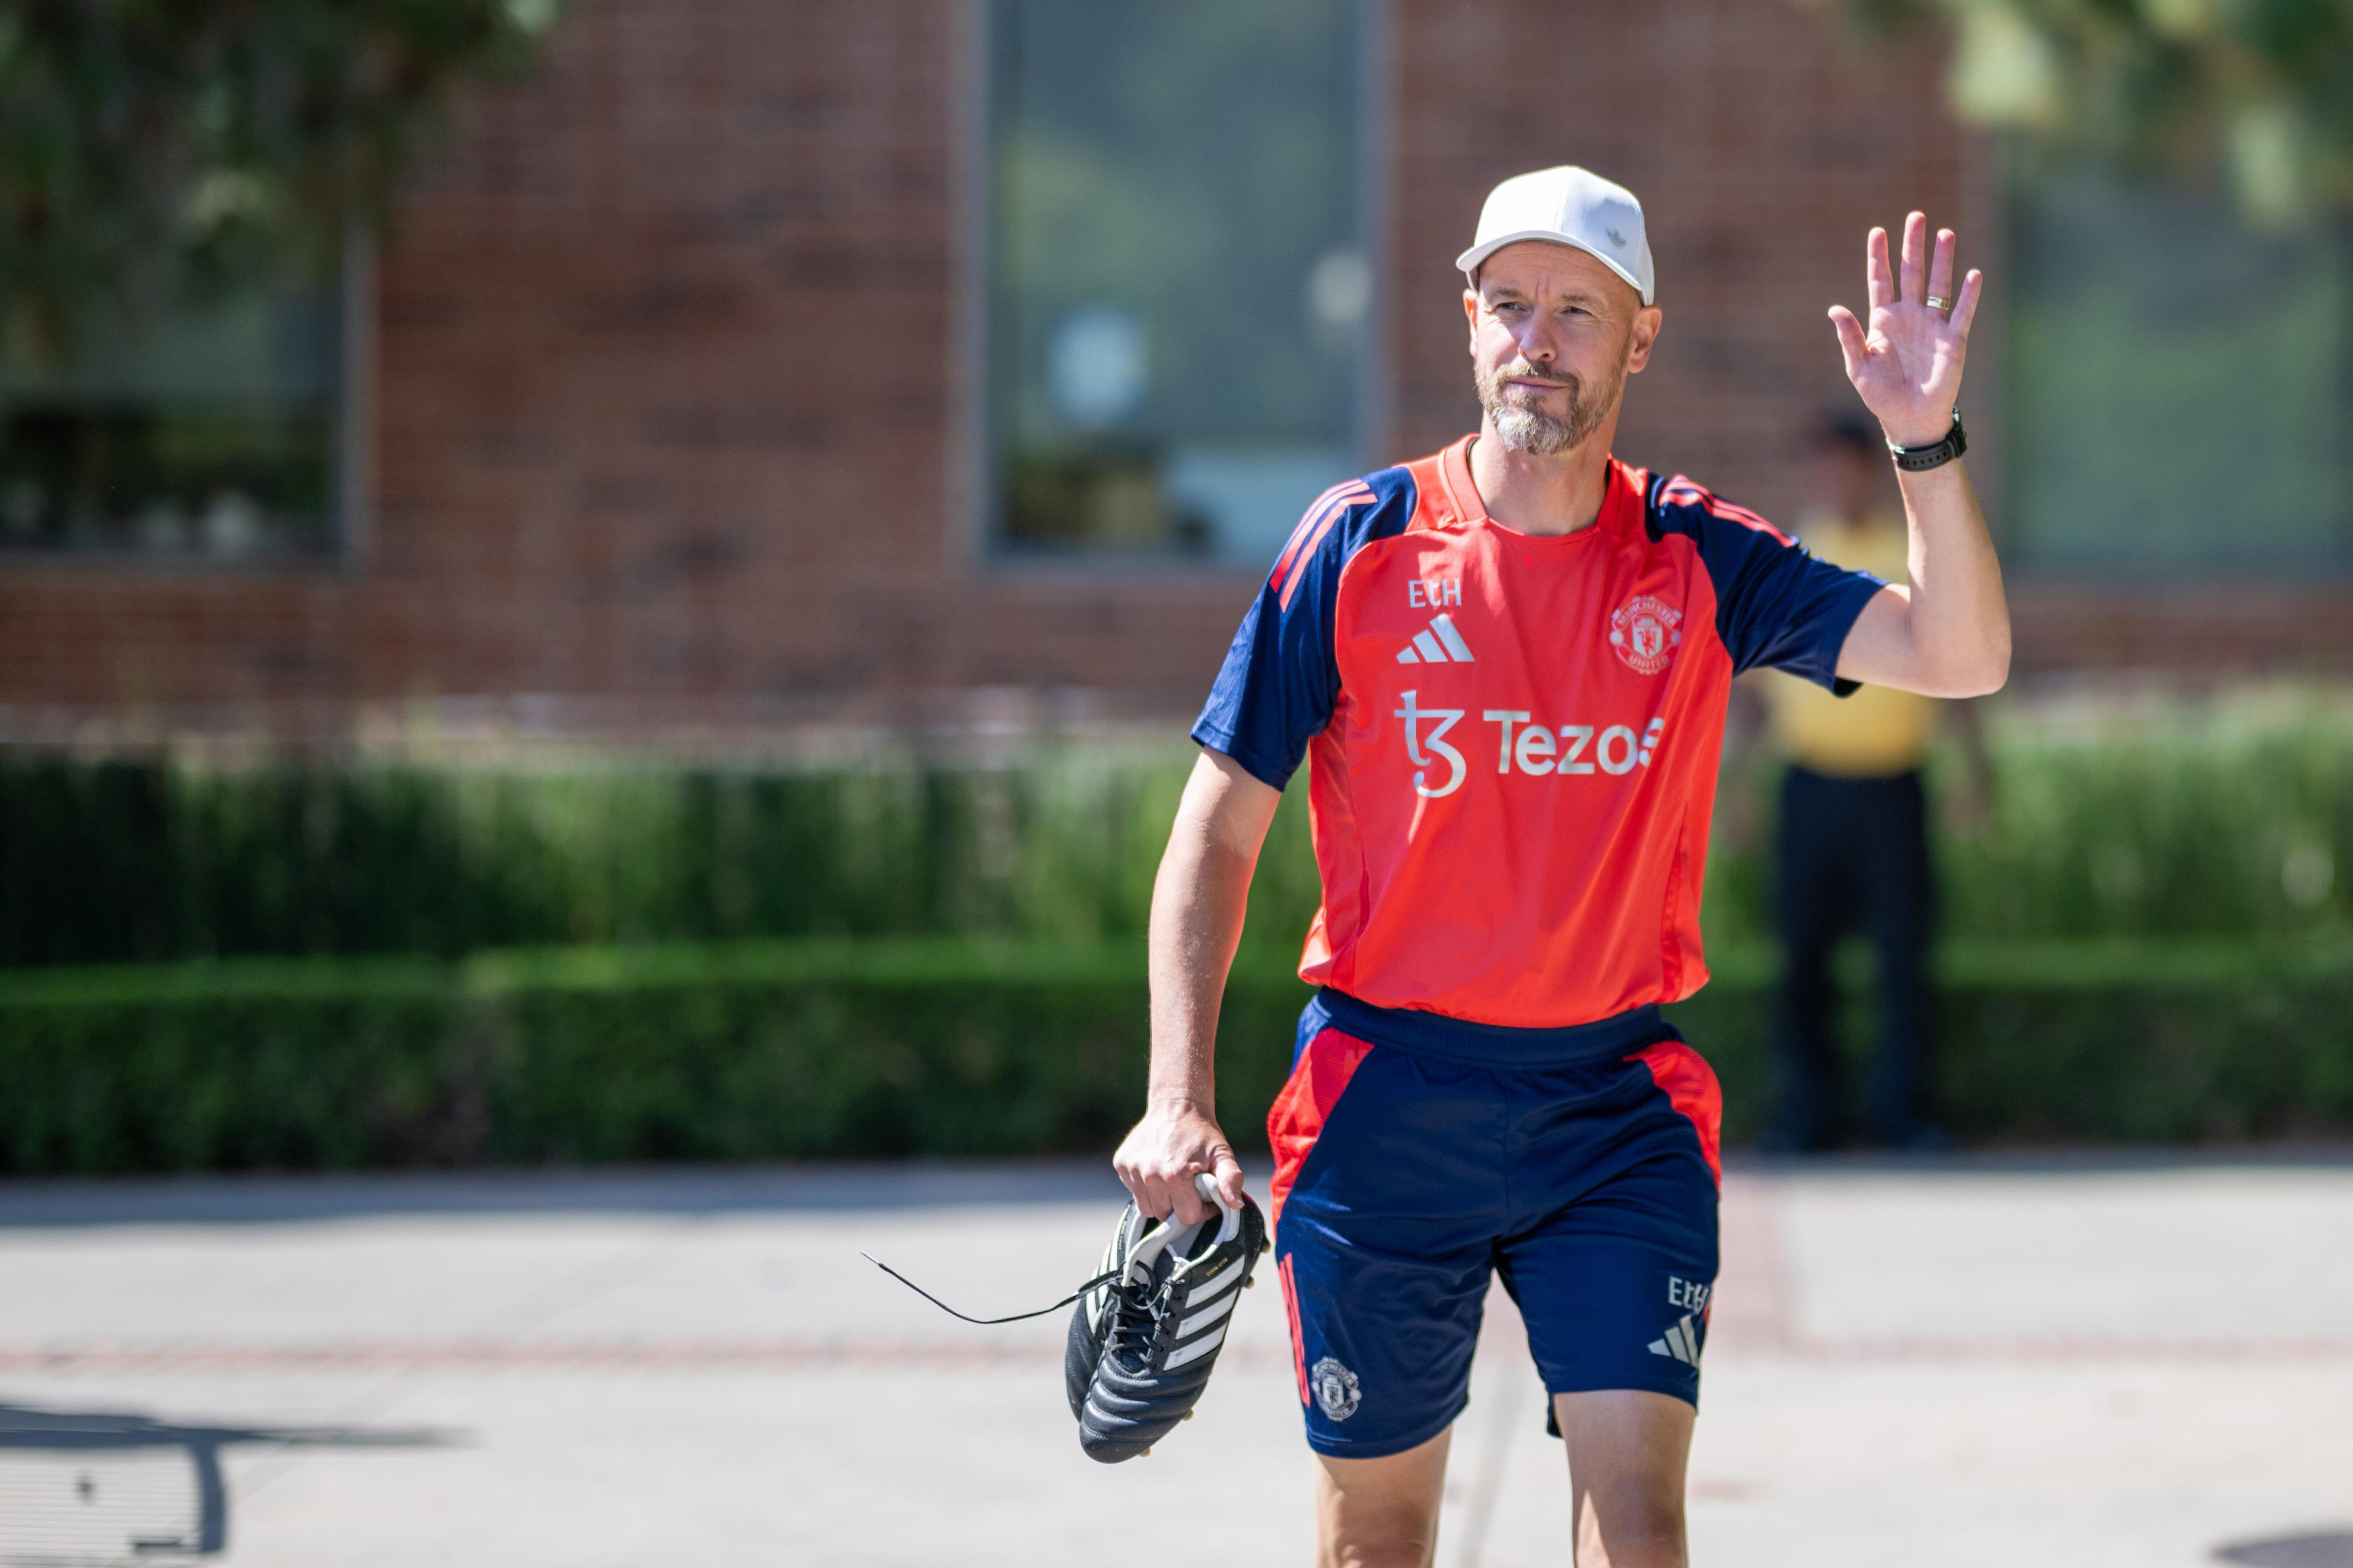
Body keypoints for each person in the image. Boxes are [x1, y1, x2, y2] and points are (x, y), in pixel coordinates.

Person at [1114, 166, 2008, 1567]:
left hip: (1614, 1109)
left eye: (1578, 310)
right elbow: (1215, 831)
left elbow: (1960, 655)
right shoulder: (1354, 544)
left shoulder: (1700, 554)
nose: (1539, 337)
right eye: (1512, 303)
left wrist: (1925, 444)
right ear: (1470, 321)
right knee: (1378, 1538)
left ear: (1639, 338)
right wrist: (1178, 1099)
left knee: (1641, 1533)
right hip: (1383, 1099)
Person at [1751, 414, 1997, 1154]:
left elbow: (1959, 680)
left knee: (1903, 958)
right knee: (1800, 958)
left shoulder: (1907, 555)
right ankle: (1808, 1113)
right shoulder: (1788, 556)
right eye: (1821, 468)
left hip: (1895, 788)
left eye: (1846, 467)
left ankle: (1903, 1112)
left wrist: (1975, 778)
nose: (1834, 482)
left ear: (1869, 471)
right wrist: (1735, 794)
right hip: (1808, 789)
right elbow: (1755, 695)